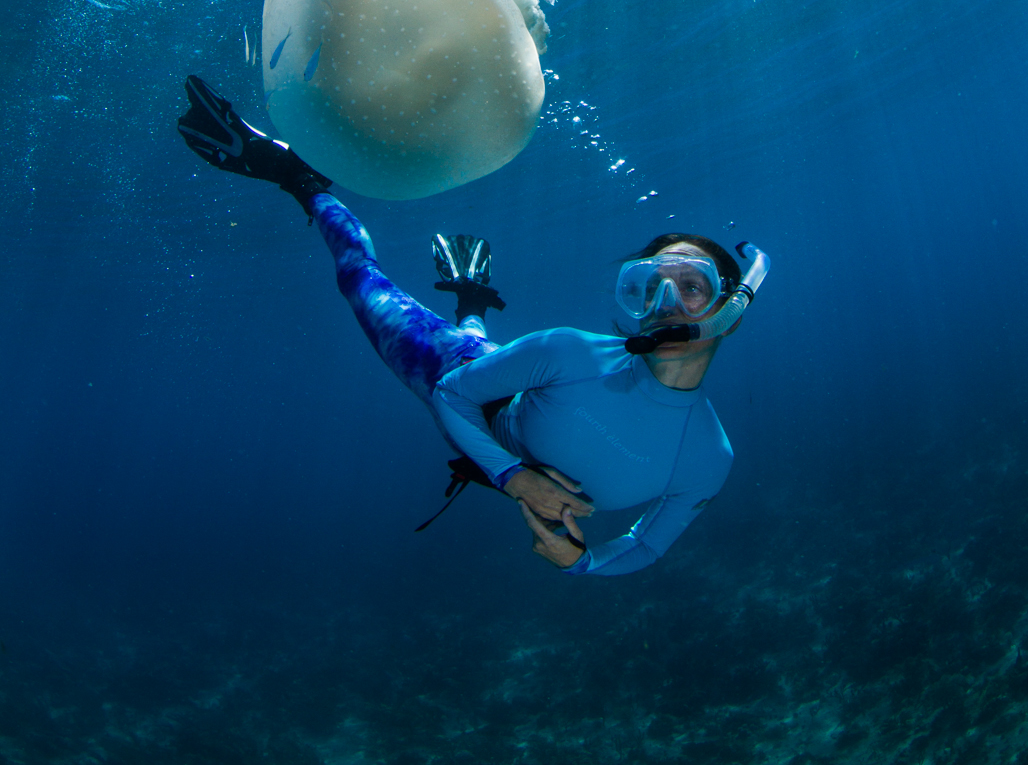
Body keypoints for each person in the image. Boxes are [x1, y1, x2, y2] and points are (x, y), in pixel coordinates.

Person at [177, 74, 769, 577]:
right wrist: (514, 479)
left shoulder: (708, 460)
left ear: (729, 312)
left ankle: (471, 295)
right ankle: (300, 181)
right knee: (361, 282)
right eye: (647, 285)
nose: (665, 303)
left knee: (489, 346)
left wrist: (579, 562)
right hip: (460, 376)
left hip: (513, 382)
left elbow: (643, 545)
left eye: (692, 288)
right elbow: (451, 395)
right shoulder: (570, 351)